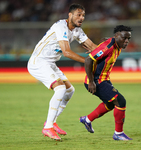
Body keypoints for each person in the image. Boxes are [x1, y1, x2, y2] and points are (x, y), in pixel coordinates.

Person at [27, 3, 97, 141]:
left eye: (83, 15)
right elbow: (66, 52)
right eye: (78, 14)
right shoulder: (60, 26)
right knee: (59, 88)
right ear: (70, 15)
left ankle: (52, 123)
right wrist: (87, 61)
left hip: (50, 63)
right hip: (38, 62)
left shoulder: (77, 30)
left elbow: (93, 47)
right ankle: (47, 127)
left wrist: (108, 50)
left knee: (69, 90)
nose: (81, 18)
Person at [80, 25, 132, 141]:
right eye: (124, 38)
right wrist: (91, 82)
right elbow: (88, 60)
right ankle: (118, 133)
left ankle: (87, 119)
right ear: (117, 36)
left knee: (110, 104)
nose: (127, 41)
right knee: (120, 101)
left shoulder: (116, 43)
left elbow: (104, 44)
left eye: (128, 38)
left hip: (104, 79)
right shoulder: (108, 46)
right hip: (96, 81)